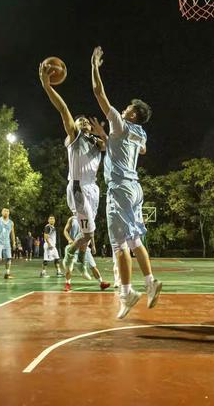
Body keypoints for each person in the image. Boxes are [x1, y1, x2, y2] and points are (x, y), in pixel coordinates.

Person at [91, 46, 162, 319]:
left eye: (129, 108)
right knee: (126, 240)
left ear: (132, 114)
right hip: (133, 188)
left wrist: (94, 65)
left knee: (123, 241)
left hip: (120, 187)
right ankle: (139, 287)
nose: (124, 108)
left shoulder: (121, 123)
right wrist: (107, 141)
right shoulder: (140, 133)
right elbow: (139, 150)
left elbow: (99, 93)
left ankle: (138, 287)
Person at [39, 60, 105, 279]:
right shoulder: (74, 137)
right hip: (77, 187)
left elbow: (107, 145)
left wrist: (101, 136)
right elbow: (63, 109)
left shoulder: (95, 142)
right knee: (89, 231)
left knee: (88, 234)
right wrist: (48, 86)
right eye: (80, 121)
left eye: (85, 120)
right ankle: (71, 255)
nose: (83, 122)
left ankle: (75, 256)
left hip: (93, 190)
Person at [63, 215, 110, 291]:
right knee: (69, 267)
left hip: (85, 247)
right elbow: (65, 230)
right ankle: (67, 284)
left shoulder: (88, 218)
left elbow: (91, 233)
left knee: (93, 266)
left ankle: (101, 283)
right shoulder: (72, 219)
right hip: (74, 246)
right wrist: (69, 239)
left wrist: (93, 245)